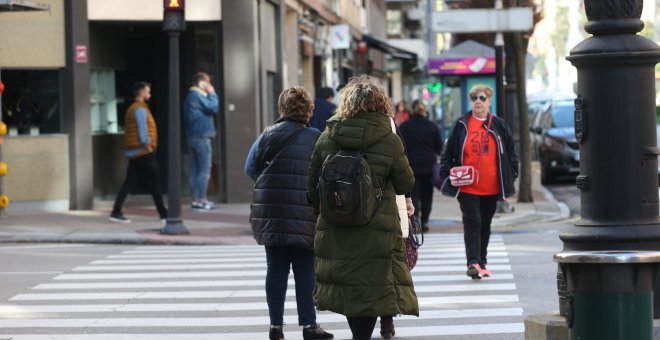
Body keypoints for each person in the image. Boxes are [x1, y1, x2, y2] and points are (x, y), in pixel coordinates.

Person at [308, 75, 418, 340]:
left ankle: (360, 333)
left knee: (351, 287)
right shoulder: (389, 140)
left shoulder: (327, 136)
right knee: (373, 284)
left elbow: (312, 188)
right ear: (381, 104)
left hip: (336, 226)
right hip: (376, 228)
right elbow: (406, 182)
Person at [244, 87, 334, 340]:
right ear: (308, 110)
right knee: (305, 269)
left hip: (271, 210)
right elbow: (325, 175)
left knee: (275, 268)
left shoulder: (266, 135)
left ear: (282, 108)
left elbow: (250, 168)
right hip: (305, 210)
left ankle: (275, 327)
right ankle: (309, 326)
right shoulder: (316, 136)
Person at [439, 84, 518, 280]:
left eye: (482, 98)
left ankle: (482, 261)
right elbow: (447, 154)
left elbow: (511, 153)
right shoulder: (461, 124)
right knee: (472, 221)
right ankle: (472, 262)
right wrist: (446, 172)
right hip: (467, 186)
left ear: (489, 101)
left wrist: (512, 175)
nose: (478, 102)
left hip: (491, 187)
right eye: (474, 98)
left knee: (485, 224)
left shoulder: (499, 125)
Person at [109, 82, 168, 223]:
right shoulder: (140, 109)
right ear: (141, 93)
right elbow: (143, 131)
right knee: (155, 183)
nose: (150, 94)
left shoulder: (133, 108)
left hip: (135, 153)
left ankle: (116, 211)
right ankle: (164, 214)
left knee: (129, 183)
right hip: (143, 152)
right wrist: (148, 146)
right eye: (148, 91)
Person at [399, 99, 443, 232]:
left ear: (412, 110)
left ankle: (414, 219)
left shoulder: (405, 126)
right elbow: (439, 147)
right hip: (428, 166)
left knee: (413, 194)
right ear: (425, 111)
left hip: (410, 166)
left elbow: (400, 145)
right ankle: (424, 222)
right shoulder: (432, 126)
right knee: (427, 196)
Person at [183, 72, 219, 211]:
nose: (210, 86)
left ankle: (196, 200)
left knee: (195, 171)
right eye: (208, 83)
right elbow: (213, 107)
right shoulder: (197, 96)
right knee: (204, 170)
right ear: (202, 83)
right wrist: (213, 93)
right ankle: (202, 200)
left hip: (192, 138)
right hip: (201, 138)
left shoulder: (190, 97)